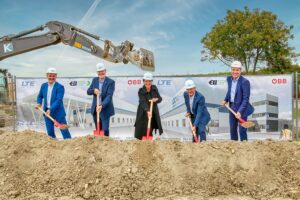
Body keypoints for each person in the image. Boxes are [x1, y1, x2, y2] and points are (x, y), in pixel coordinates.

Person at [221, 60, 254, 141]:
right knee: (232, 130)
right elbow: (230, 91)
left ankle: (244, 148)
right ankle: (234, 147)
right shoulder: (229, 79)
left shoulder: (245, 82)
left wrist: (240, 111)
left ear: (240, 70)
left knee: (242, 130)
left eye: (237, 70)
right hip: (232, 107)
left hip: (242, 108)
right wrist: (225, 100)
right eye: (233, 69)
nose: (235, 72)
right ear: (231, 70)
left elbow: (246, 99)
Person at [35, 68, 71, 139]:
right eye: (50, 75)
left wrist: (50, 109)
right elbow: (40, 96)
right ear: (47, 76)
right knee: (50, 132)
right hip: (47, 113)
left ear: (56, 76)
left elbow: (58, 100)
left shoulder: (60, 87)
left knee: (64, 131)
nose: (51, 77)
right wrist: (39, 103)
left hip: (58, 113)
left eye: (53, 76)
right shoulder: (43, 86)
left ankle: (69, 144)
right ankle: (53, 146)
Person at [87, 63, 115, 136]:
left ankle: (106, 144)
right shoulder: (94, 80)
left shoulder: (111, 82)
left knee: (105, 130)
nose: (101, 73)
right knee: (98, 129)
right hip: (96, 109)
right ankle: (99, 145)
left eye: (102, 71)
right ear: (97, 72)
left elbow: (109, 96)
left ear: (105, 71)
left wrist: (101, 105)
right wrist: (94, 90)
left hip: (105, 108)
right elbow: (88, 91)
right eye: (99, 71)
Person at [134, 72, 163, 140]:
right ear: (143, 81)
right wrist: (147, 110)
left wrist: (156, 99)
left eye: (149, 81)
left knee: (151, 127)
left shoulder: (154, 88)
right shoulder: (141, 91)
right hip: (143, 111)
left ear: (152, 81)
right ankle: (141, 142)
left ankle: (149, 143)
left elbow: (160, 98)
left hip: (153, 111)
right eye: (146, 81)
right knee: (142, 128)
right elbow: (142, 101)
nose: (148, 83)